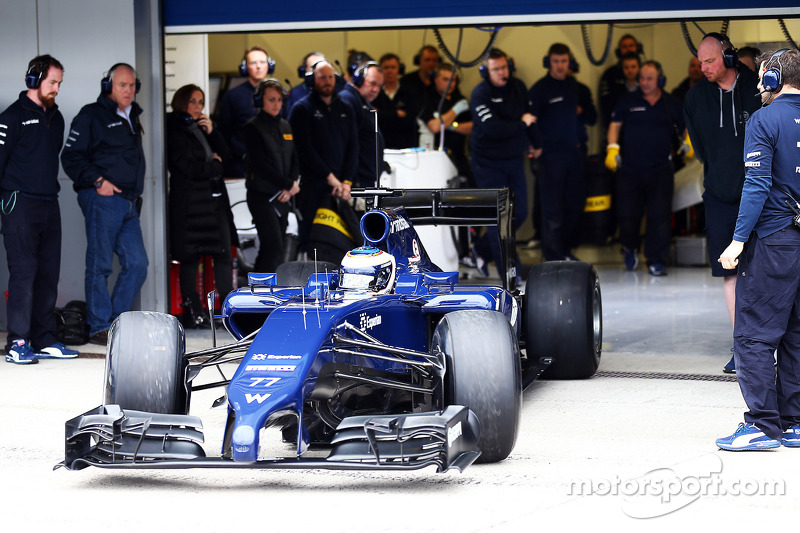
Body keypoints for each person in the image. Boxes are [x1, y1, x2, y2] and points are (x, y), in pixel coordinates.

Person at [716, 49, 800, 451]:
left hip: (774, 240)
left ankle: (763, 427)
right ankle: (796, 422)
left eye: (761, 76)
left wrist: (737, 241)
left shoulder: (764, 120)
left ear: (772, 79)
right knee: (797, 333)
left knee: (752, 333)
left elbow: (756, 185)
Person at [684, 32, 761, 373]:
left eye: (710, 60)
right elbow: (700, 149)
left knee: (762, 270)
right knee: (729, 272)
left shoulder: (756, 89)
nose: (704, 68)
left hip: (759, 193)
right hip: (718, 195)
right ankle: (741, 345)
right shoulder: (695, 98)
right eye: (700, 62)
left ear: (728, 57)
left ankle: (769, 343)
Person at [61, 63, 148, 345]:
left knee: (137, 264)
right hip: (103, 200)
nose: (129, 90)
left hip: (128, 202)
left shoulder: (132, 115)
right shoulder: (91, 115)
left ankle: (115, 324)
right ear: (108, 85)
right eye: (122, 85)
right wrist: (99, 182)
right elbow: (71, 157)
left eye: (132, 85)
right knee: (100, 266)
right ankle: (100, 326)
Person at [0, 55, 78, 364]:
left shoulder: (56, 118)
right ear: (34, 80)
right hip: (19, 203)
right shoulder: (11, 118)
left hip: (49, 202)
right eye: (52, 82)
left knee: (48, 274)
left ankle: (45, 337)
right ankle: (18, 341)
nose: (57, 88)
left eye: (59, 83)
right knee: (24, 273)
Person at [166, 84, 236, 328]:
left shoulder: (202, 128)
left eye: (201, 102)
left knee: (224, 254)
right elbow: (187, 167)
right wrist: (215, 166)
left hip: (214, 201)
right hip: (190, 204)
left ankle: (229, 309)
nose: (197, 107)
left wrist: (213, 131)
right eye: (192, 101)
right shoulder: (174, 127)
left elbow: (227, 156)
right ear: (181, 102)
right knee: (190, 258)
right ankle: (194, 311)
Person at [606, 61, 685, 276]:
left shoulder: (671, 103)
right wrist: (612, 148)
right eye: (642, 78)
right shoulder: (627, 101)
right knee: (628, 216)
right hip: (630, 171)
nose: (644, 82)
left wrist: (688, 143)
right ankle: (629, 248)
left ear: (660, 79)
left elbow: (685, 127)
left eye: (649, 78)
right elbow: (614, 126)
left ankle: (656, 259)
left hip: (660, 170)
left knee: (659, 217)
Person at [470, 48, 534, 277]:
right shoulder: (480, 94)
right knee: (500, 220)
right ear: (485, 72)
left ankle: (479, 250)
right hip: (487, 162)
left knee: (521, 212)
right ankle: (510, 273)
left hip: (514, 159)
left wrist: (531, 143)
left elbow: (529, 116)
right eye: (496, 69)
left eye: (504, 67)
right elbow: (492, 128)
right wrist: (521, 125)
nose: (501, 73)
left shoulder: (518, 87)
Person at [288, 59, 357, 251]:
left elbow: (354, 147)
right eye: (322, 78)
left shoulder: (346, 108)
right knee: (311, 239)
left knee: (342, 242)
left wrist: (347, 181)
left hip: (341, 188)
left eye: (330, 77)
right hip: (313, 187)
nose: (327, 81)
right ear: (312, 80)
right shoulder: (302, 109)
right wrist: (331, 179)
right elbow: (305, 150)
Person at [528, 43, 586, 262]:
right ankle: (552, 257)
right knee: (552, 212)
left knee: (574, 205)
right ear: (548, 62)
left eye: (564, 61)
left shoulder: (572, 85)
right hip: (550, 156)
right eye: (556, 61)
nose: (560, 66)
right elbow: (530, 122)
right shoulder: (540, 89)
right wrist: (534, 150)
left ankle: (566, 250)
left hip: (573, 154)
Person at [243, 79, 300, 272]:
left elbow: (294, 159)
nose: (276, 104)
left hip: (282, 197)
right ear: (261, 101)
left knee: (277, 248)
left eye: (279, 100)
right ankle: (259, 291)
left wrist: (291, 185)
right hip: (262, 196)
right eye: (271, 100)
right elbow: (260, 165)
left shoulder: (286, 126)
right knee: (272, 245)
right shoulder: (252, 127)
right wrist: (288, 185)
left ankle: (264, 288)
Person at [218, 46, 275, 178]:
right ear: (245, 67)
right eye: (253, 63)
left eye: (262, 62)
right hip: (241, 164)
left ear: (270, 66)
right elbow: (224, 130)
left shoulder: (279, 95)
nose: (258, 67)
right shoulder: (233, 96)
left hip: (273, 162)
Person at [420, 63, 473, 178]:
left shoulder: (460, 99)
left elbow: (472, 128)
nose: (450, 84)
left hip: (458, 156)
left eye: (453, 80)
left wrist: (450, 125)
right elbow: (434, 127)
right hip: (434, 157)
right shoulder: (427, 98)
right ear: (436, 79)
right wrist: (456, 110)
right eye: (445, 79)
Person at [339, 61, 386, 188]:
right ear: (358, 80)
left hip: (364, 179)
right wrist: (348, 179)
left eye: (379, 86)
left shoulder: (362, 102)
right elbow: (347, 143)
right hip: (354, 181)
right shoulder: (347, 100)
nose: (376, 89)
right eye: (372, 83)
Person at [373, 53, 419, 149]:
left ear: (399, 69)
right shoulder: (374, 92)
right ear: (380, 70)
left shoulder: (409, 92)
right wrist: (397, 113)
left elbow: (411, 120)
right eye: (386, 68)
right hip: (380, 146)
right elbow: (374, 118)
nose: (389, 71)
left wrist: (383, 114)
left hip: (405, 147)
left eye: (393, 67)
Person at [599, 34, 643, 131]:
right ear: (619, 51)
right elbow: (606, 108)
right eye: (624, 47)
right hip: (618, 128)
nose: (628, 49)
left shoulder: (647, 75)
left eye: (631, 45)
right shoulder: (610, 74)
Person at [400, 45, 441, 113]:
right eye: (427, 60)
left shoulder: (442, 81)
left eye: (434, 60)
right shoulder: (406, 80)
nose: (431, 63)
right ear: (419, 61)